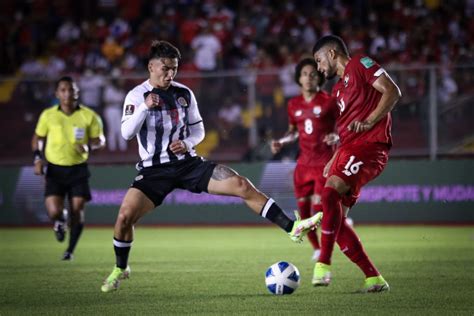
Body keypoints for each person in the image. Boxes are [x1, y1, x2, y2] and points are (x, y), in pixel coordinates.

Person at [100, 40, 323, 293]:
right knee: (124, 217)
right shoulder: (135, 96)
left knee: (240, 184)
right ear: (151, 66)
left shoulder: (184, 93)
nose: (170, 74)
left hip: (188, 164)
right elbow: (127, 133)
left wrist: (186, 142)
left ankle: (292, 227)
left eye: (174, 68)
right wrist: (144, 107)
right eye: (165, 68)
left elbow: (199, 130)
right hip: (154, 170)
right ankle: (121, 268)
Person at [312, 35, 401, 292]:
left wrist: (371, 120)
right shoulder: (337, 89)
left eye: (319, 61)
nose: (318, 68)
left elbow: (393, 91)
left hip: (370, 148)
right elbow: (348, 131)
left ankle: (323, 263)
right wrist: (334, 156)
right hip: (350, 150)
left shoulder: (360, 64)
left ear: (331, 54)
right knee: (334, 219)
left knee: (328, 195)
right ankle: (374, 278)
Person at [271, 58, 339, 262]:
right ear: (298, 79)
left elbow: (343, 125)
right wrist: (282, 141)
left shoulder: (329, 102)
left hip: (324, 162)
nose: (308, 78)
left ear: (320, 77)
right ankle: (317, 248)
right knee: (304, 211)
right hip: (303, 164)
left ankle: (334, 231)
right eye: (304, 74)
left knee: (320, 208)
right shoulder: (293, 104)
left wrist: (337, 137)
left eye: (312, 74)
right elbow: (294, 132)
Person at [32, 76, 106, 260]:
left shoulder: (89, 115)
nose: (67, 93)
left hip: (78, 169)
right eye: (63, 90)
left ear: (77, 93)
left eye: (71, 90)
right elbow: (38, 138)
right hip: (55, 169)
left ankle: (70, 250)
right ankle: (59, 221)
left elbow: (101, 140)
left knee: (78, 210)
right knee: (54, 211)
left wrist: (90, 146)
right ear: (57, 93)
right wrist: (37, 159)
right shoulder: (48, 115)